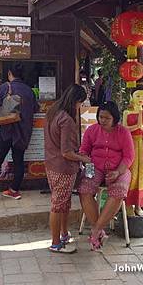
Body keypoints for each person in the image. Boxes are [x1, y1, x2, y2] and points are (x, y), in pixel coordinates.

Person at [0, 62, 39, 204]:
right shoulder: (29, 90)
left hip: (6, 131)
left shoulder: (6, 87)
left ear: (9, 73)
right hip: (23, 133)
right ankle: (14, 190)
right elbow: (36, 108)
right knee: (19, 162)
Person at [79, 101, 134, 250]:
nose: (102, 120)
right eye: (100, 117)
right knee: (84, 189)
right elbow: (83, 151)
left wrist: (118, 171)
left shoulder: (123, 132)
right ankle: (99, 230)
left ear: (115, 119)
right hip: (93, 166)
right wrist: (87, 163)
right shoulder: (91, 130)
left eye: (106, 118)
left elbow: (129, 157)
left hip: (119, 169)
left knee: (119, 191)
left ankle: (96, 230)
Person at [43, 84, 90, 253]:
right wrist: (84, 158)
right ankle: (56, 243)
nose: (80, 107)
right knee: (58, 205)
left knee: (63, 202)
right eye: (80, 103)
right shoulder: (67, 120)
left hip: (51, 164)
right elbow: (67, 153)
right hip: (63, 168)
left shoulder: (53, 112)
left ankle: (63, 234)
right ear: (76, 101)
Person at [124, 89, 143, 216]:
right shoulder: (127, 112)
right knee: (132, 174)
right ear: (132, 96)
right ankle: (129, 204)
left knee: (142, 176)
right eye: (138, 95)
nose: (141, 98)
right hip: (132, 144)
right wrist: (136, 126)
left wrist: (141, 127)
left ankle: (138, 205)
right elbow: (125, 129)